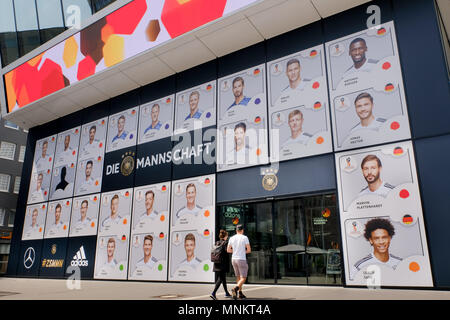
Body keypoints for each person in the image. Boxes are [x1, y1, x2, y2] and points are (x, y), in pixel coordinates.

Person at [227, 224, 251, 300]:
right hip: (241, 259)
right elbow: (249, 250)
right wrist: (242, 251)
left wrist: (236, 251)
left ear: (236, 230)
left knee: (238, 276)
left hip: (233, 259)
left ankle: (240, 293)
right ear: (242, 230)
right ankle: (235, 289)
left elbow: (228, 250)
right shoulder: (245, 238)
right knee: (243, 277)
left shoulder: (231, 238)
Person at [210, 229, 231, 300]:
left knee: (223, 278)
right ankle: (213, 293)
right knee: (220, 279)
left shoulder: (217, 243)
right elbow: (227, 251)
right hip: (222, 264)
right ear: (225, 236)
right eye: (227, 236)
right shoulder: (225, 243)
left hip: (216, 263)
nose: (227, 237)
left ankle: (227, 293)